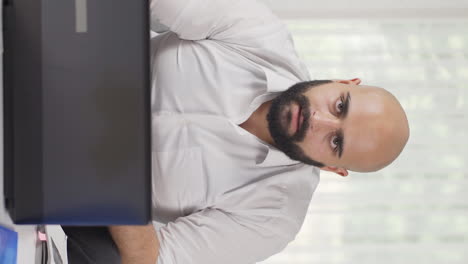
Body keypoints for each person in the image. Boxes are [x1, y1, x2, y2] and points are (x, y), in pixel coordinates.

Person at [103, 0, 410, 263]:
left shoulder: (274, 219)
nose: (318, 120)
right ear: (343, 83)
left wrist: (109, 172)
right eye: (340, 106)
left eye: (335, 141)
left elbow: (153, 258)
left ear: (332, 167)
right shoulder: (260, 31)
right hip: (71, 59)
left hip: (72, 185)